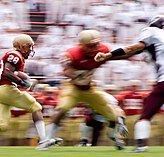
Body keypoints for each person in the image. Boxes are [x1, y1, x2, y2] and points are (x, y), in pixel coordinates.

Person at [0, 34, 61, 150]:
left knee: (2, 125)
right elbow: (6, 73)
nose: (30, 50)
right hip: (6, 90)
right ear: (21, 46)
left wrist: (27, 80)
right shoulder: (15, 55)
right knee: (35, 107)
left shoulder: (17, 57)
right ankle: (43, 140)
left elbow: (14, 73)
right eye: (28, 47)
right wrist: (23, 83)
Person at [46, 30, 128, 149]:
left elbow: (120, 55)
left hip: (90, 88)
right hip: (73, 87)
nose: (95, 48)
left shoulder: (103, 49)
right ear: (82, 45)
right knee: (62, 109)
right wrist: (78, 74)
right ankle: (46, 139)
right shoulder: (72, 54)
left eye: (96, 44)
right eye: (91, 45)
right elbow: (66, 71)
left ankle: (114, 136)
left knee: (114, 115)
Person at [94, 15, 164, 152]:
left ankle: (141, 145)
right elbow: (130, 54)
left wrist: (107, 55)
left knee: (146, 115)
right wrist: (108, 58)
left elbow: (133, 48)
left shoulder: (152, 32)